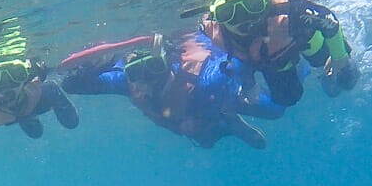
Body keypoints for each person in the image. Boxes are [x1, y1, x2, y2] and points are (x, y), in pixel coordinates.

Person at [60, 33, 294, 150]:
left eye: (153, 68)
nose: (147, 80)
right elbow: (71, 85)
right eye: (135, 72)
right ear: (127, 72)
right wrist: (103, 62)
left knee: (276, 110)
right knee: (204, 140)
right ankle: (230, 125)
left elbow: (241, 62)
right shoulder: (126, 82)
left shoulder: (204, 78)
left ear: (167, 63)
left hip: (228, 98)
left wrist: (248, 84)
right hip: (194, 123)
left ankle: (232, 118)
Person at [194, 0, 360, 107]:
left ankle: (333, 66)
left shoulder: (289, 10)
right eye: (227, 13)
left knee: (346, 79)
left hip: (304, 39)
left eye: (252, 5)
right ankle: (302, 68)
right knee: (287, 98)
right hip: (277, 58)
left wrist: (339, 57)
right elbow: (240, 58)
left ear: (266, 2)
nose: (242, 19)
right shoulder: (212, 29)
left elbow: (329, 21)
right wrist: (248, 83)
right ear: (216, 17)